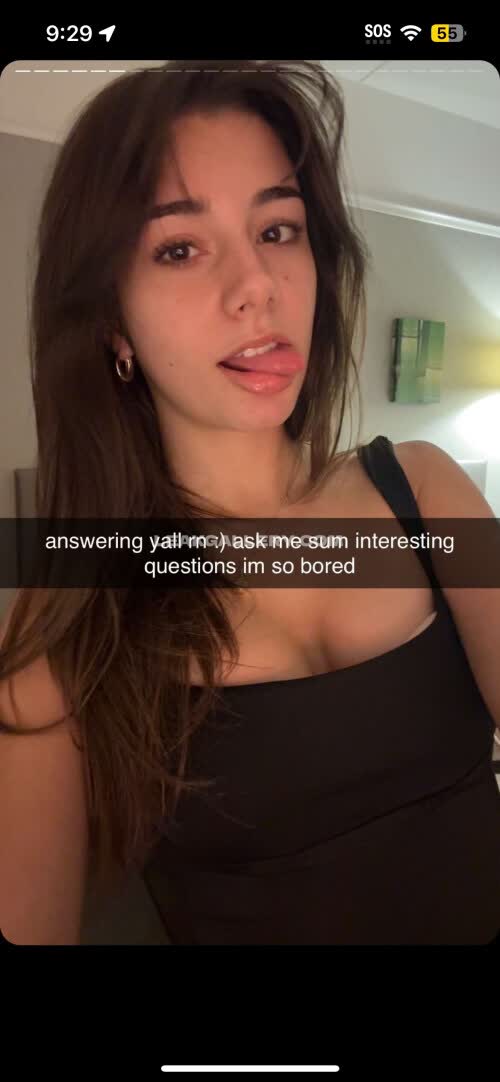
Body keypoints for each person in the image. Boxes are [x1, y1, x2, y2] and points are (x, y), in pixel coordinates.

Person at [1, 59, 499, 945]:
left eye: (278, 229)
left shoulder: (423, 489)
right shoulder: (69, 615)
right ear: (111, 320)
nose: (259, 286)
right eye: (179, 248)